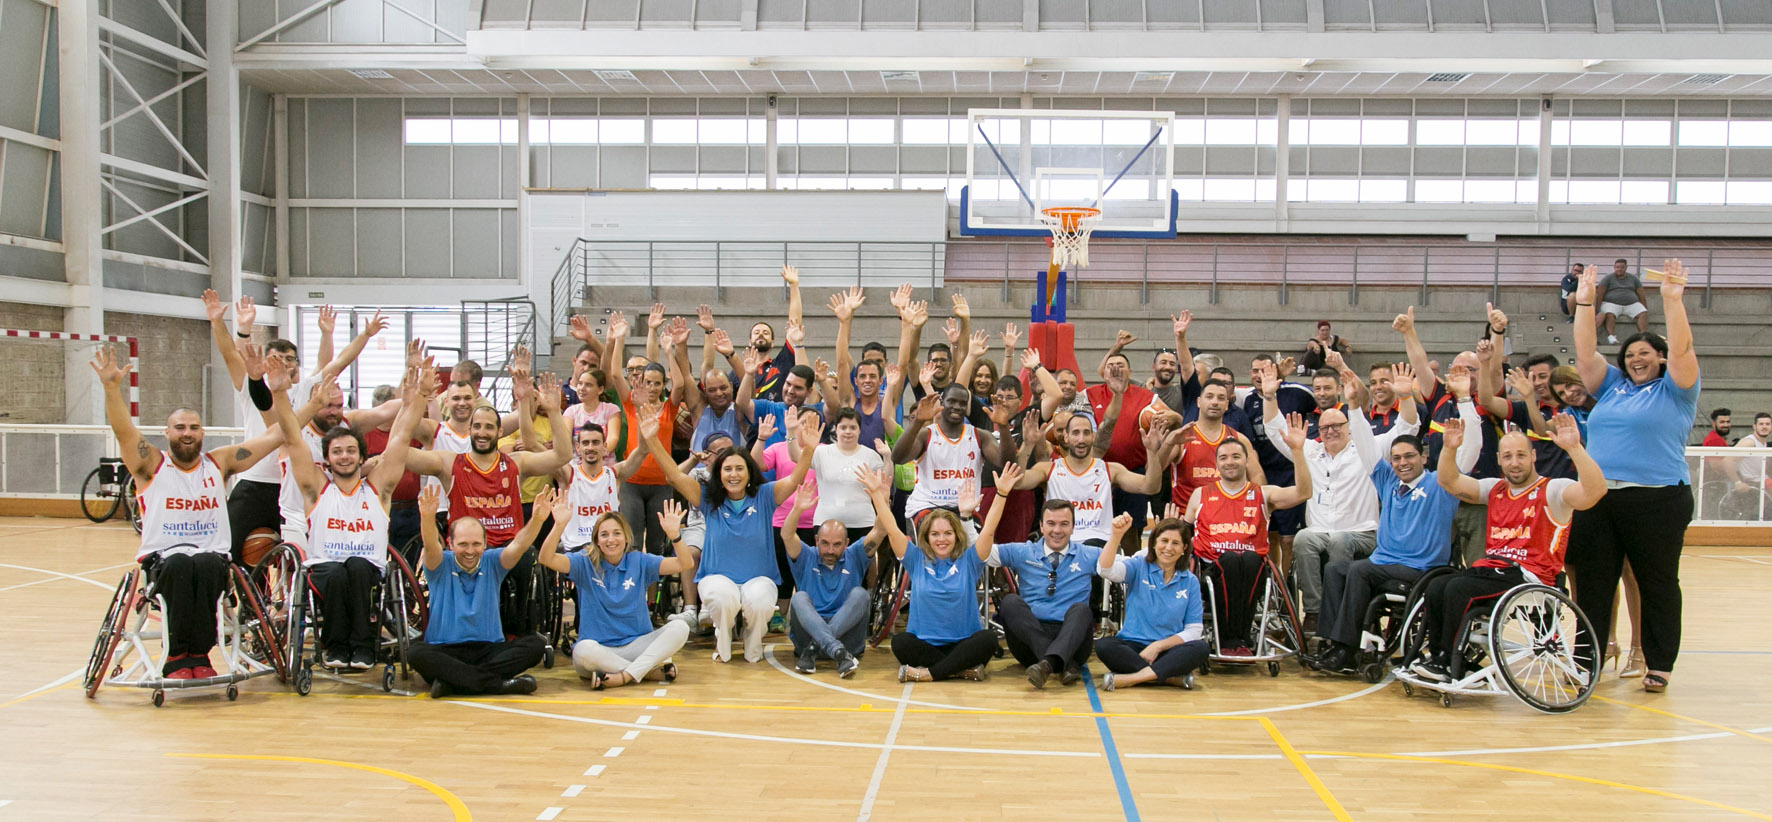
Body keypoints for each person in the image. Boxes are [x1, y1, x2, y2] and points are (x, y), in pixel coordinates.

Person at [91, 345, 289, 680]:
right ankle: (176, 658)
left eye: (193, 427)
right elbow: (124, 430)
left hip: (211, 559)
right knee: (182, 563)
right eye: (180, 427)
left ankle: (200, 655)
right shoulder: (150, 465)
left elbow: (279, 434)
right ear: (167, 433)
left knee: (210, 563)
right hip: (164, 560)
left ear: (202, 433)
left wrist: (278, 391)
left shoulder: (220, 462)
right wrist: (112, 389)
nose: (187, 433)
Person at [1567, 259, 1701, 694]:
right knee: (1592, 582)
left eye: (1645, 353)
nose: (1636, 358)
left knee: (1657, 582)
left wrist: (1671, 301)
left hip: (1658, 500)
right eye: (1629, 354)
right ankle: (1587, 658)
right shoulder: (1612, 386)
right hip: (1600, 499)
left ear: (1659, 359)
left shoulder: (1677, 390)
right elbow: (1586, 354)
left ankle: (1659, 662)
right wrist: (1586, 302)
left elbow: (1682, 351)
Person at [1412, 414, 1607, 683]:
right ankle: (1437, 658)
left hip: (1530, 576)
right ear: (1499, 459)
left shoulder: (1553, 490)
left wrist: (1575, 448)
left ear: (1533, 456)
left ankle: (1446, 662)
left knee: (1459, 589)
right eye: (1507, 457)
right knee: (1437, 585)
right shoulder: (1496, 488)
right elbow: (1449, 482)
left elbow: (1595, 492)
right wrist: (1449, 448)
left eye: (1520, 455)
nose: (1514, 463)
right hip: (1494, 570)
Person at [202, 293, 387, 562]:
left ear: (297, 364)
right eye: (276, 358)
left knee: (298, 559)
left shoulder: (306, 389)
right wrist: (224, 324)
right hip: (256, 481)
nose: (283, 363)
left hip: (296, 485)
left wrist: (366, 334)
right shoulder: (252, 384)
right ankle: (233, 597)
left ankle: (289, 602)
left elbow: (338, 362)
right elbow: (230, 354)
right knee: (230, 550)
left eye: (289, 359)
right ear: (265, 362)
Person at [270, 358, 429, 671]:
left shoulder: (378, 488)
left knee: (356, 568)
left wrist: (419, 397)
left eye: (350, 451)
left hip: (367, 568)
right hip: (324, 568)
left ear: (361, 455)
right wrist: (278, 394)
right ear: (327, 459)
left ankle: (362, 647)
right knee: (341, 572)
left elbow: (400, 438)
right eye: (337, 452)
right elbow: (291, 435)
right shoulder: (317, 488)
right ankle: (336, 646)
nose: (344, 456)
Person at [642, 403, 816, 663]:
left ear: (749, 474)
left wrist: (809, 449)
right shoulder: (708, 498)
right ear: (719, 474)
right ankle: (723, 647)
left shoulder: (765, 496)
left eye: (739, 469)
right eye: (727, 469)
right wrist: (652, 439)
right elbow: (674, 476)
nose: (733, 474)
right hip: (716, 577)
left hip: (760, 579)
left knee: (758, 603)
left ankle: (752, 644)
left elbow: (795, 479)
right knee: (724, 600)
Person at [1311, 424, 1477, 675]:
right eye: (1396, 458)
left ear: (1423, 457)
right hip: (1385, 565)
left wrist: (1464, 403)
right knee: (1335, 569)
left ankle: (1347, 650)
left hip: (1422, 570)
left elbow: (1471, 451)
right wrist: (1355, 407)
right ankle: (1331, 643)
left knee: (1360, 570)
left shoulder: (1441, 483)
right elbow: (1366, 448)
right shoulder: (1388, 481)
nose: (1402, 463)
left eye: (1409, 456)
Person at [1268, 358, 1420, 628]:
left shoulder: (1368, 448)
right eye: (1325, 428)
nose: (1330, 432)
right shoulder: (1311, 451)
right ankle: (1314, 612)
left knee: (1340, 541)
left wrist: (1406, 395)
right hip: (1320, 532)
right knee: (1302, 538)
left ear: (1349, 427)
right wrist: (1269, 396)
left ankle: (1338, 609)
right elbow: (1275, 430)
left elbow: (1407, 428)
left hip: (1362, 533)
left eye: (1337, 426)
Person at [850, 469, 996, 683]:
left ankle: (928, 673)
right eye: (935, 534)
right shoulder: (915, 559)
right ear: (926, 538)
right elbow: (891, 529)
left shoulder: (969, 560)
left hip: (964, 643)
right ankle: (961, 670)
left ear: (957, 536)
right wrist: (876, 495)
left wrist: (1001, 494)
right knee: (900, 643)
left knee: (989, 639)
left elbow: (989, 531)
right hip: (925, 645)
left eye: (948, 533)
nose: (942, 539)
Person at [536, 491, 691, 690]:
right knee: (582, 650)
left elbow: (685, 563)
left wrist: (675, 536)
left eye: (617, 533)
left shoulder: (640, 561)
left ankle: (624, 676)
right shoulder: (584, 562)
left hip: (635, 646)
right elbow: (545, 558)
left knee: (680, 627)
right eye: (604, 534)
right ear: (597, 541)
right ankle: (646, 671)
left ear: (626, 538)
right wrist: (558, 525)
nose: (611, 540)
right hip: (598, 652)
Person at [1184, 417, 1312, 657]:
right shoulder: (1201, 494)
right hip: (1213, 569)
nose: (1230, 462)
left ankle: (1242, 638)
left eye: (1235, 456)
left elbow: (1304, 492)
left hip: (1253, 568)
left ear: (1246, 460)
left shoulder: (1264, 494)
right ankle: (1231, 639)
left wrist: (1297, 452)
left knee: (1250, 559)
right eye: (1223, 458)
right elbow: (1184, 532)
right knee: (1231, 559)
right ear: (1216, 464)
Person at [410, 486, 548, 697]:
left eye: (476, 544)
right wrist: (427, 519)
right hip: (445, 650)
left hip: (488, 650)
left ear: (485, 543)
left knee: (535, 645)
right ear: (450, 543)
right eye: (463, 544)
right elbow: (430, 545)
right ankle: (497, 685)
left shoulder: (492, 562)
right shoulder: (439, 564)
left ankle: (454, 683)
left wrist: (537, 519)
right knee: (416, 653)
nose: (470, 550)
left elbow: (519, 545)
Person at [1001, 376, 1168, 548]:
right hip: (1061, 545)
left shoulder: (1110, 470)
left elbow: (1151, 486)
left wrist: (1152, 451)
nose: (1081, 439)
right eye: (1075, 433)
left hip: (1098, 548)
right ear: (1065, 437)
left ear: (1093, 436)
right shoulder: (1048, 469)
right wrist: (1028, 445)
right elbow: (1018, 482)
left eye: (1086, 433)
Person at [978, 463, 1102, 689]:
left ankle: (1047, 664)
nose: (1057, 530)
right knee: (1009, 602)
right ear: (1041, 527)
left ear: (1074, 527)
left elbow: (1126, 566)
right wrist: (996, 498)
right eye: (1051, 524)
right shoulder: (1023, 550)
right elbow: (982, 553)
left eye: (1064, 524)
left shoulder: (1089, 554)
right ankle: (1062, 664)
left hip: (1072, 637)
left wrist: (1118, 535)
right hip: (1029, 638)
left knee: (1081, 610)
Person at [1095, 516, 1209, 691]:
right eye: (1164, 541)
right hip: (1133, 647)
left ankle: (1130, 679)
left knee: (1200, 648)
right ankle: (1170, 678)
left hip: (1169, 649)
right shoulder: (1139, 566)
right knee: (1104, 646)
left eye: (1175, 543)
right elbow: (1105, 570)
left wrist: (1158, 646)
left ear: (1184, 548)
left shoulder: (1190, 581)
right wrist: (1116, 535)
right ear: (1154, 543)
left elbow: (1194, 630)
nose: (1168, 548)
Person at [780, 484, 880, 677]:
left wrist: (881, 500)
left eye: (836, 544)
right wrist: (797, 509)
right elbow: (786, 535)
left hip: (846, 642)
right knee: (799, 597)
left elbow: (881, 530)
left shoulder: (855, 555)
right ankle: (837, 651)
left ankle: (819, 647)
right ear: (816, 540)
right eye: (824, 543)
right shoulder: (806, 556)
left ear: (847, 544)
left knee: (860, 594)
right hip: (809, 639)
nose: (830, 550)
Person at [894, 385, 1013, 524]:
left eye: (962, 403)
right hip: (928, 508)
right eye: (952, 401)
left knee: (979, 542)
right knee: (940, 532)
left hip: (965, 510)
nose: (957, 406)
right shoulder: (926, 435)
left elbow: (1005, 462)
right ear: (942, 402)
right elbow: (898, 458)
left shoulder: (980, 436)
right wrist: (917, 422)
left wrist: (1003, 427)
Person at [809, 408, 889, 544]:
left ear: (859, 430)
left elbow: (885, 483)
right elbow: (796, 458)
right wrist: (791, 433)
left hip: (863, 523)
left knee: (862, 564)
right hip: (825, 522)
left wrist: (887, 457)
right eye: (843, 427)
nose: (848, 431)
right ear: (835, 429)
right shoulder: (821, 452)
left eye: (853, 427)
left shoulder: (871, 455)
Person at [1596, 257, 1650, 345]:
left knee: (1643, 313)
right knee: (1609, 313)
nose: (1619, 269)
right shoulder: (1608, 278)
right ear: (1614, 267)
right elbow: (1600, 293)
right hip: (1611, 303)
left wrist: (1645, 307)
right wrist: (1597, 309)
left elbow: (1641, 293)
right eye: (1617, 267)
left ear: (1626, 268)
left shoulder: (1633, 278)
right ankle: (1612, 337)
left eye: (1621, 267)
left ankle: (1643, 336)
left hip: (1631, 304)